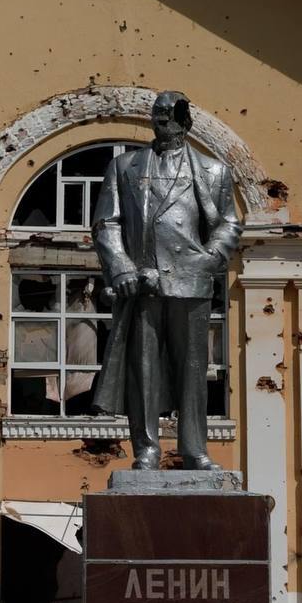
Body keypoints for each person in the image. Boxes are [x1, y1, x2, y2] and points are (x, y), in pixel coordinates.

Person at [90, 91, 242, 470]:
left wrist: (210, 259)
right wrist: (122, 266)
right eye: (158, 114)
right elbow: (106, 222)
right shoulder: (125, 166)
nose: (163, 121)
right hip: (143, 282)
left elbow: (228, 223)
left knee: (193, 370)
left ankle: (194, 448)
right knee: (143, 370)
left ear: (186, 121)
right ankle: (146, 448)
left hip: (191, 279)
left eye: (171, 115)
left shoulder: (213, 171)